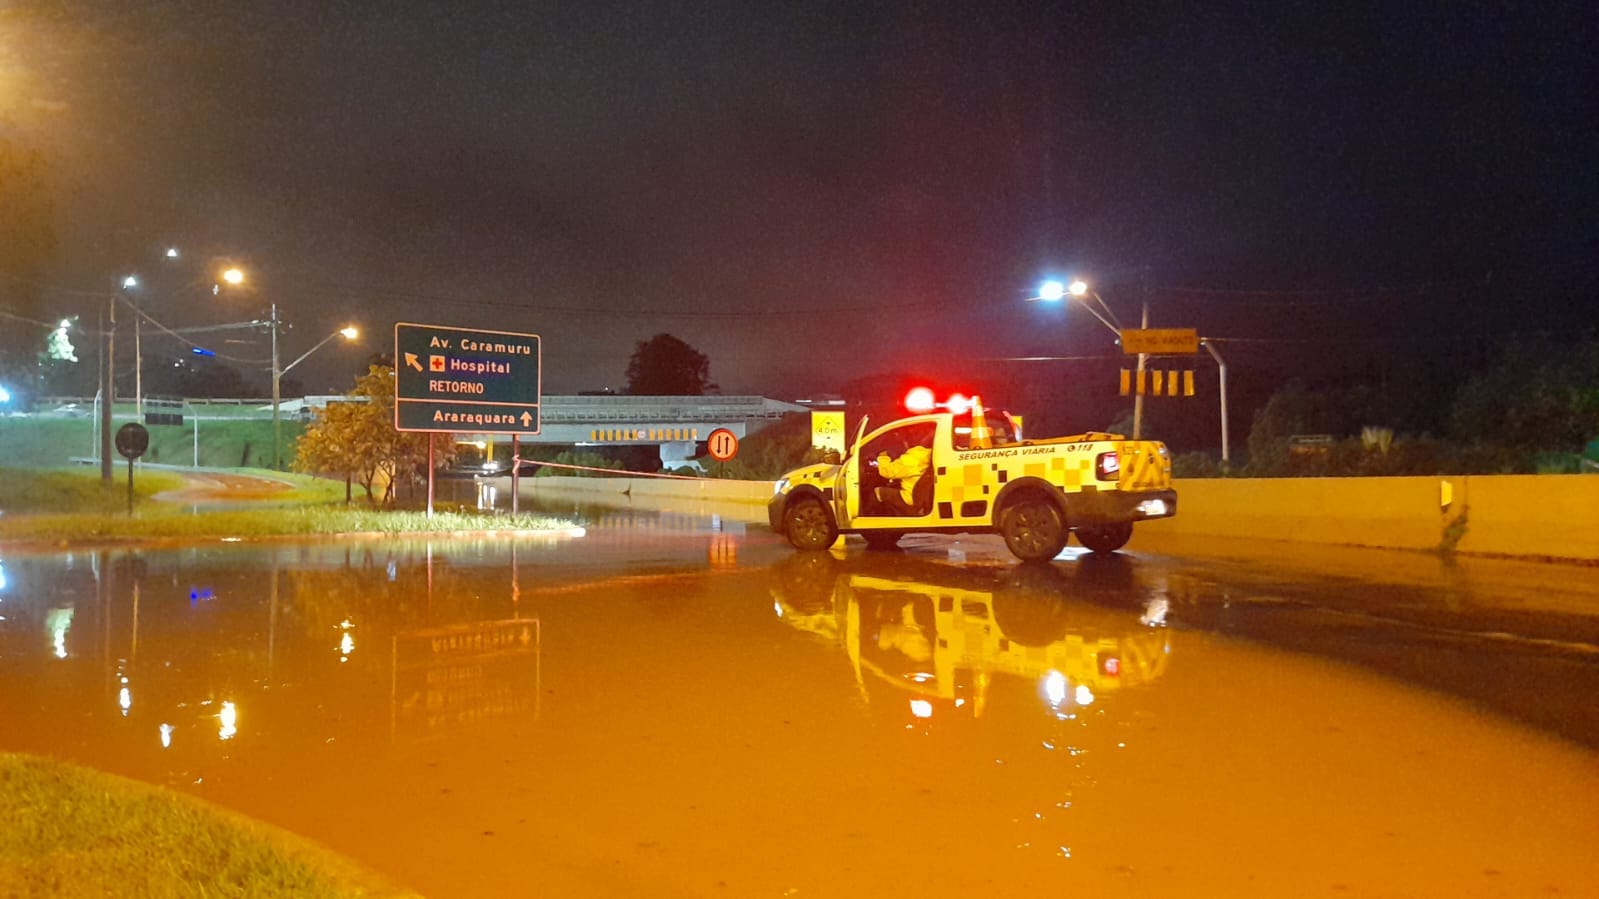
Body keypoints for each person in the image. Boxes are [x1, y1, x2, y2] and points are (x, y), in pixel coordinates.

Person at [872, 433, 931, 514]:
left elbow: (887, 472)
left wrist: (883, 457)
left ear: (906, 443)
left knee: (877, 492)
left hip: (909, 498)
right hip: (920, 496)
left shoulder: (910, 459)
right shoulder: (925, 454)